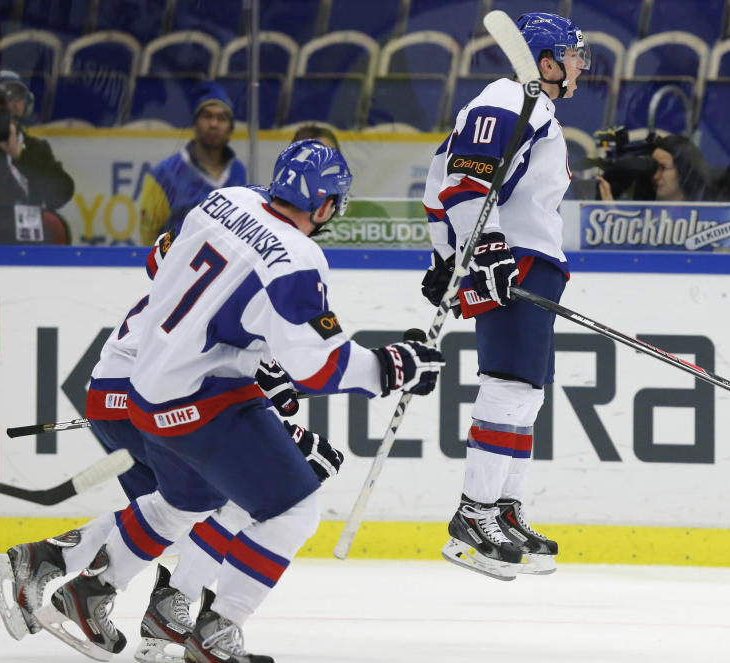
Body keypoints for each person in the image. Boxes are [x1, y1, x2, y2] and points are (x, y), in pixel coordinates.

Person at [29, 140, 444, 663]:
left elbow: (161, 262)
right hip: (197, 396)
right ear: (322, 205)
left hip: (145, 390)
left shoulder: (224, 201)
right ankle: (216, 633)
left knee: (188, 502)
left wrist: (245, 342)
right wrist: (395, 366)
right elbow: (321, 366)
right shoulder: (297, 256)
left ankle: (95, 589)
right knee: (293, 508)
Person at [0, 226, 341, 663]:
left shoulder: (223, 227)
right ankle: (140, 597)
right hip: (153, 392)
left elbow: (162, 262)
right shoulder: (268, 264)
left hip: (128, 388)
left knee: (185, 502)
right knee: (214, 498)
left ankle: (69, 574)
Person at [420, 12, 588, 581]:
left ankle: (503, 510)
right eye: (571, 54)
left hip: (532, 264)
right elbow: (463, 181)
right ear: (545, 61)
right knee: (508, 387)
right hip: (509, 262)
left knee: (528, 395)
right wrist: (478, 249)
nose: (579, 64)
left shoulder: (535, 107)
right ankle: (473, 515)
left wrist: (451, 255)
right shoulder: (506, 98)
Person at [138, 81, 247, 245]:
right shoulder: (163, 174)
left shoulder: (238, 171)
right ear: (195, 124)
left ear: (231, 129)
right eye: (207, 116)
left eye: (222, 118)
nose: (214, 124)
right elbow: (148, 239)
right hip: (176, 266)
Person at [0, 68, 74, 244]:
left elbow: (61, 194)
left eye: (17, 96)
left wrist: (20, 155)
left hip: (28, 241)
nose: (11, 103)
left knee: (55, 226)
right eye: (1, 97)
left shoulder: (35, 148)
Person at [597, 134, 709, 202]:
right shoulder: (647, 211)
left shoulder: (702, 217)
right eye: (653, 168)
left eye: (663, 168)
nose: (655, 176)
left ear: (684, 171)